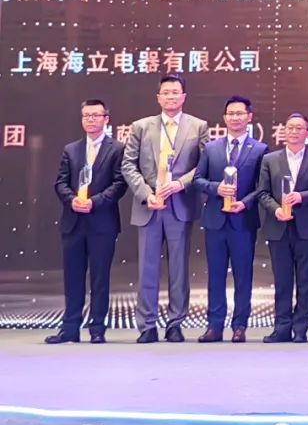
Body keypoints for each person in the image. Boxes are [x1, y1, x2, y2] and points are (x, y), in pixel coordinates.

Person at [121, 74, 209, 343]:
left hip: (179, 205)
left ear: (184, 96)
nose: (171, 96)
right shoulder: (141, 127)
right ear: (158, 97)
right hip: (150, 206)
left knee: (178, 269)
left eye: (175, 92)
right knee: (147, 269)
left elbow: (205, 165)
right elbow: (128, 165)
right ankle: (147, 325)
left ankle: (175, 323)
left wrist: (180, 184)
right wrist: (146, 194)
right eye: (166, 92)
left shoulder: (198, 126)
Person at [46, 100, 128, 344]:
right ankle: (70, 329)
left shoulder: (117, 149)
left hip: (102, 222)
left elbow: (120, 184)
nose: (90, 119)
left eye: (95, 115)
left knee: (100, 279)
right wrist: (71, 200)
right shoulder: (71, 149)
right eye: (86, 115)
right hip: (73, 222)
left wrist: (95, 202)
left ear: (106, 119)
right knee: (73, 278)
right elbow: (60, 182)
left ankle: (97, 329)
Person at [193, 96, 267, 343]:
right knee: (215, 275)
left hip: (243, 221)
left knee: (243, 275)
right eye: (231, 114)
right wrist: (216, 188)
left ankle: (240, 326)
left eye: (240, 113)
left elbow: (262, 187)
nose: (235, 118)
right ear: (224, 118)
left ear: (249, 117)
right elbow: (198, 180)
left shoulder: (260, 150)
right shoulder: (211, 148)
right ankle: (214, 326)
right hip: (215, 220)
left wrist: (244, 203)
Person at [257, 113, 308, 343]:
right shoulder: (270, 159)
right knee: (282, 281)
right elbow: (262, 192)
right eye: (290, 127)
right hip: (278, 227)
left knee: (305, 281)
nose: (294, 132)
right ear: (284, 131)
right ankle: (282, 328)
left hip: (307, 230)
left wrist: (301, 196)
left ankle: (300, 329)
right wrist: (276, 209)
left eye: (299, 128)